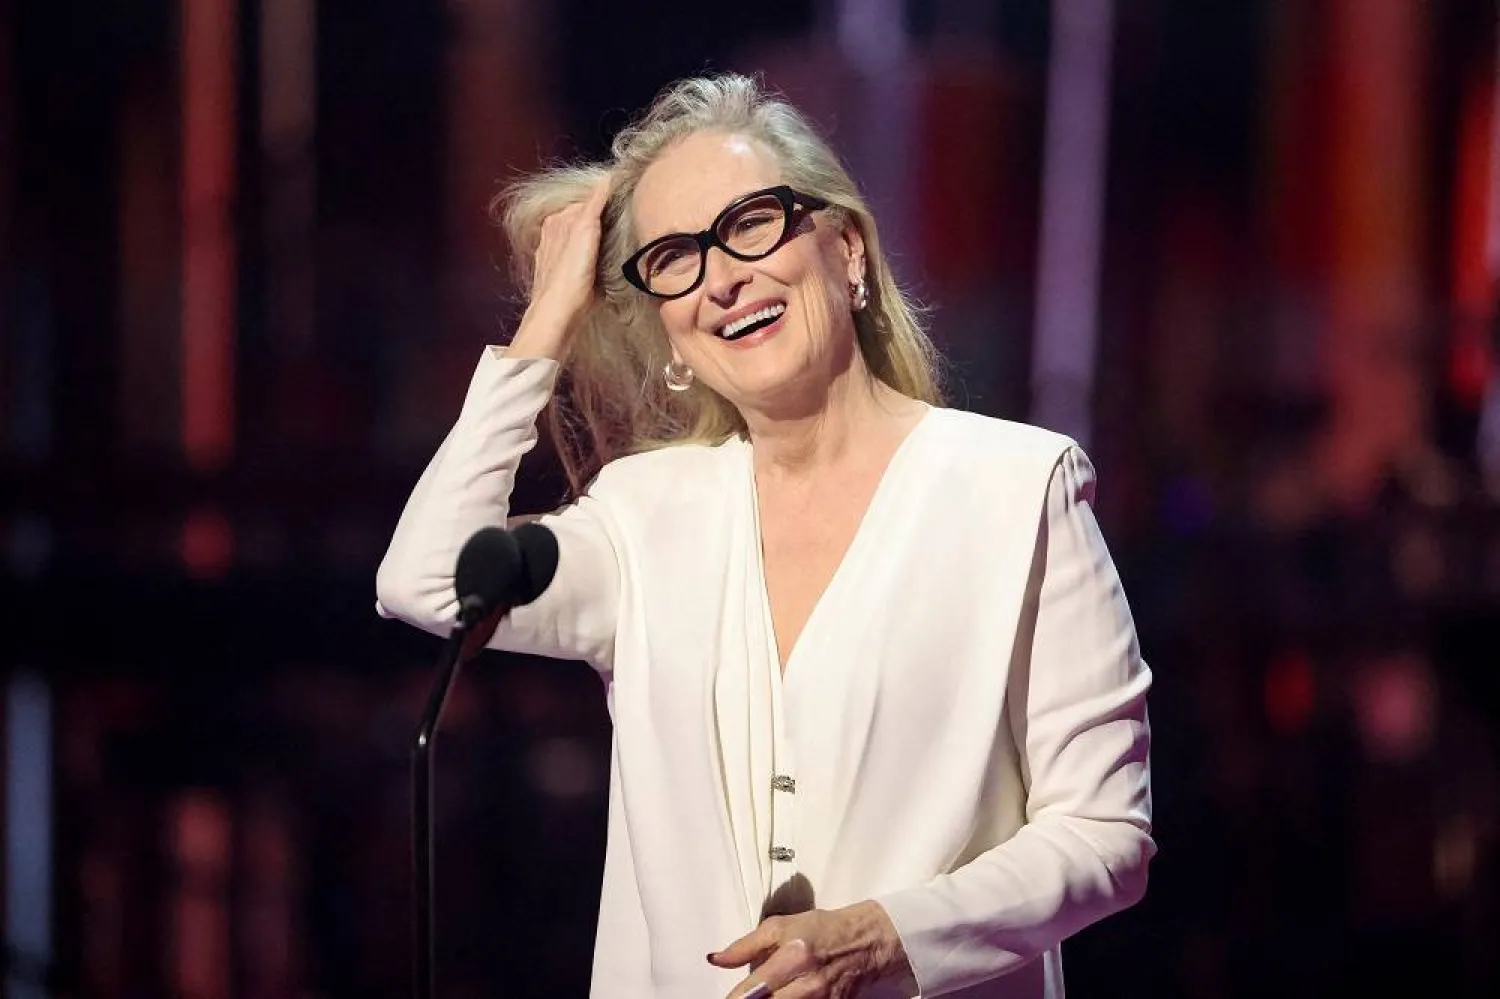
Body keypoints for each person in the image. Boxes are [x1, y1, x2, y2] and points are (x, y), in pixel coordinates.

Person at [376, 74, 1153, 999]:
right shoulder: (643, 517)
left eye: (751, 224)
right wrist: (548, 320)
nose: (722, 279)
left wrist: (883, 935)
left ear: (847, 248)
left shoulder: (1017, 489)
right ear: (666, 328)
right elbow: (428, 581)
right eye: (674, 257)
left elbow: (1106, 835)